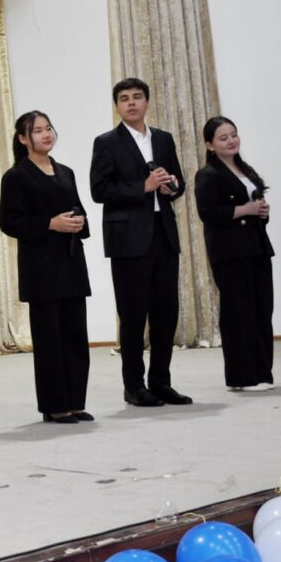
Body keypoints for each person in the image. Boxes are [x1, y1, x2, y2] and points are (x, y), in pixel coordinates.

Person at [89, 78, 191, 407]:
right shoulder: (106, 142)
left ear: (147, 102)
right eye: (124, 98)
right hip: (128, 239)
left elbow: (178, 181)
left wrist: (172, 186)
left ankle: (161, 382)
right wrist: (143, 186)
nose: (131, 103)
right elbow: (99, 190)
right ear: (117, 106)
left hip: (164, 233)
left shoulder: (163, 138)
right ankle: (133, 386)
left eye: (137, 97)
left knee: (166, 312)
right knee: (133, 314)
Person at [0, 111, 93, 423]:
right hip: (41, 268)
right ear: (23, 139)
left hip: (71, 263)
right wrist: (50, 224)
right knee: (50, 339)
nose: (45, 134)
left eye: (48, 128)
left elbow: (78, 207)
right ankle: (55, 406)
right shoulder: (16, 176)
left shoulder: (65, 171)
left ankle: (76, 402)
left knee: (75, 336)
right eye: (37, 130)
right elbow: (9, 222)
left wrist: (80, 221)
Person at [194, 116, 274, 392]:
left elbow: (255, 206)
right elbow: (208, 213)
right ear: (210, 145)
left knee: (262, 309)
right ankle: (242, 377)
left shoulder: (245, 169)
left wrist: (261, 211)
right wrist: (244, 210)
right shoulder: (207, 175)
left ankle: (262, 373)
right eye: (223, 137)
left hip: (257, 246)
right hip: (229, 251)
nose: (231, 141)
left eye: (234, 134)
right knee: (239, 312)